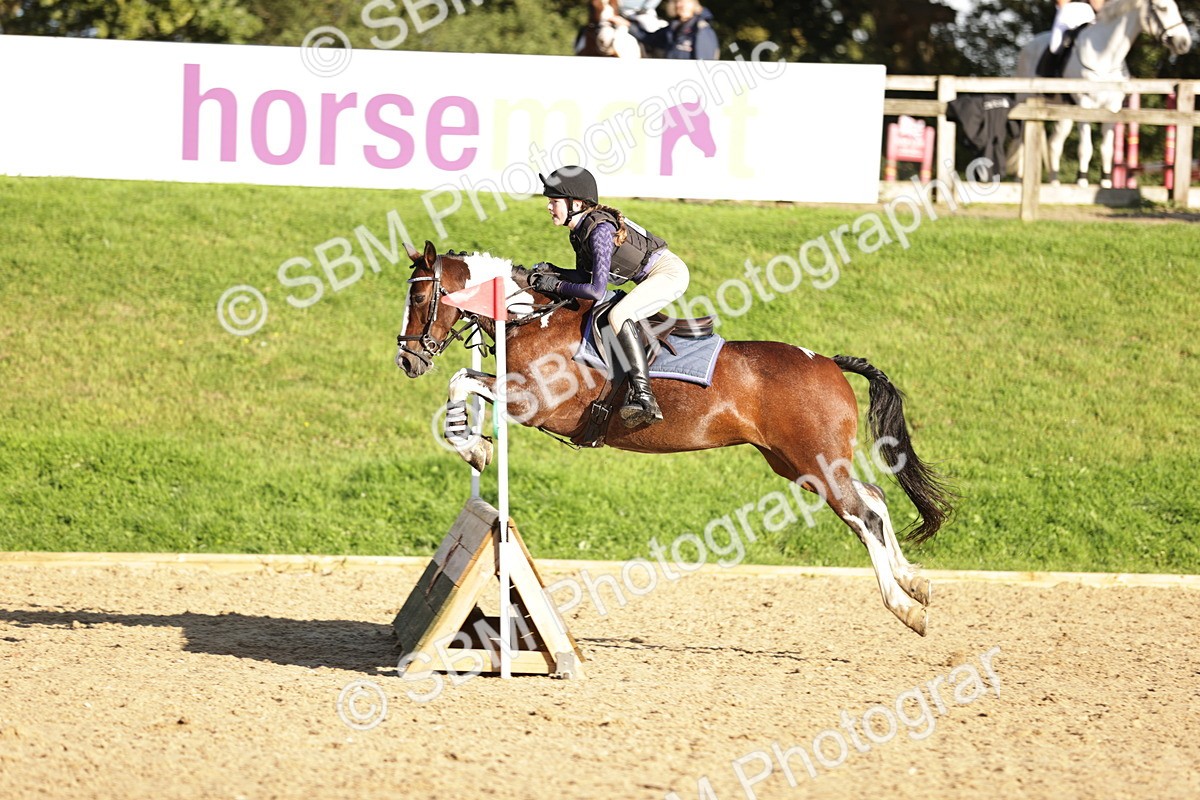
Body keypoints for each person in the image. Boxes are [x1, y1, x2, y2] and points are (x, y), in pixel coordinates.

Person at [531, 166, 690, 428]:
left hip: (669, 274)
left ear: (577, 203)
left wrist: (556, 285)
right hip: (650, 275)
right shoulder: (580, 229)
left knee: (619, 314)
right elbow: (586, 276)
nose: (549, 207)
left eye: (554, 201)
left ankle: (644, 396)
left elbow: (595, 291)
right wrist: (556, 272)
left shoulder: (600, 230)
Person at [628, 0, 719, 60]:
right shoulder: (672, 28)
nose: (681, 5)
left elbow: (705, 62)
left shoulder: (701, 29)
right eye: (679, 1)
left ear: (695, 4)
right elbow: (648, 38)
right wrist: (628, 25)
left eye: (686, 2)